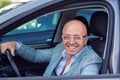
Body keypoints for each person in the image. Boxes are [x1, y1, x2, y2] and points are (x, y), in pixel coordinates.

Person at [0, 19, 102, 76]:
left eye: (77, 37)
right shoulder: (61, 48)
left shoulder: (91, 59)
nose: (71, 42)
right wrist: (15, 45)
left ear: (85, 40)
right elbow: (36, 56)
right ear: (62, 37)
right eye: (67, 37)